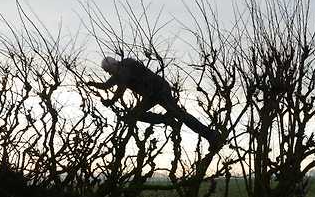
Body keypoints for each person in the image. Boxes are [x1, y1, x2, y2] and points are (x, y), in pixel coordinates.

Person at [87, 57, 220, 146]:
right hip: (151, 95)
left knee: (180, 114)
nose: (110, 74)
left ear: (114, 65)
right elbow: (106, 85)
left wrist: (111, 101)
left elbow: (121, 87)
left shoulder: (127, 64)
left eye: (108, 71)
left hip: (160, 89)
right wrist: (91, 84)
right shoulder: (118, 74)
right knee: (134, 114)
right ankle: (166, 119)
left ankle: (211, 135)